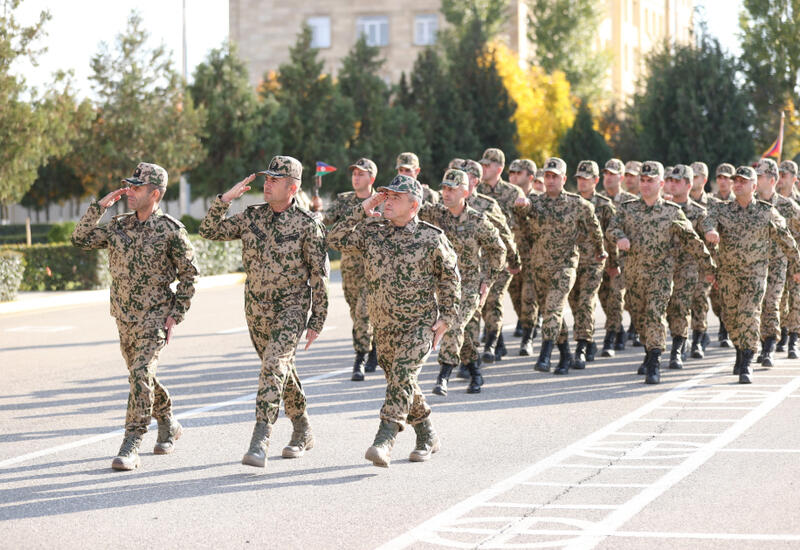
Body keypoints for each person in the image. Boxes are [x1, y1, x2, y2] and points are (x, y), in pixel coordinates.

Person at [199, 155, 329, 468]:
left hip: (292, 308)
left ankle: (261, 439)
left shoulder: (308, 226)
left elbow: (319, 277)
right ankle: (302, 429)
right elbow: (208, 230)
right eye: (266, 178)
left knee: (273, 367)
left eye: (274, 180)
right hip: (256, 308)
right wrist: (225, 200)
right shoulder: (250, 216)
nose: (266, 184)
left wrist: (317, 321)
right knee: (280, 370)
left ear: (292, 187)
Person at [71, 162, 198, 471]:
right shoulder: (118, 224)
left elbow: (190, 275)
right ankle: (167, 421)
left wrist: (176, 313)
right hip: (124, 316)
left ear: (155, 194)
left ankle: (132, 442)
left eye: (137, 188)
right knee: (141, 378)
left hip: (155, 317)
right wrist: (99, 206)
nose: (129, 191)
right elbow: (80, 238)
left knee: (140, 376)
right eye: (129, 185)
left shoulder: (170, 230)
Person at [328, 175, 460, 468]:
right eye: (386, 195)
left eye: (395, 198)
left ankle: (384, 438)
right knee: (403, 381)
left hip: (419, 325)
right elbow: (334, 238)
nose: (387, 201)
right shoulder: (372, 231)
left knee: (402, 373)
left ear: (413, 205)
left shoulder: (431, 237)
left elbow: (451, 279)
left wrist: (447, 318)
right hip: (383, 327)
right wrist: (364, 207)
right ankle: (428, 436)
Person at [607, 161, 714, 385]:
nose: (645, 185)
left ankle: (654, 363)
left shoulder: (671, 212)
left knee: (655, 315)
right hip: (634, 276)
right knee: (640, 317)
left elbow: (692, 240)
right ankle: (649, 352)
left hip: (661, 276)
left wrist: (709, 267)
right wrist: (620, 237)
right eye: (643, 180)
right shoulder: (627, 208)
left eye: (651, 181)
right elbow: (611, 228)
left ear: (661, 183)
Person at [703, 165, 800, 383]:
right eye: (736, 181)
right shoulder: (722, 210)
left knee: (749, 313)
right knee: (730, 317)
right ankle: (740, 348)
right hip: (728, 275)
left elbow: (787, 241)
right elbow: (707, 220)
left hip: (755, 275)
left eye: (743, 181)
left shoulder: (766, 212)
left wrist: (797, 267)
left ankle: (747, 360)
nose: (738, 184)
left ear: (753, 186)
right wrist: (710, 231)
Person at [514, 157, 606, 375]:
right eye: (547, 176)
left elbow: (595, 229)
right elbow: (521, 224)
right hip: (539, 267)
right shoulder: (535, 203)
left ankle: (545, 354)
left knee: (554, 308)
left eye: (555, 176)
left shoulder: (577, 204)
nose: (551, 180)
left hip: (565, 266)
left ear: (564, 179)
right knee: (550, 312)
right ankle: (565, 354)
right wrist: (520, 208)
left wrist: (600, 250)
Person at [419, 169, 505, 395]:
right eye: (444, 188)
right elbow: (409, 209)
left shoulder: (478, 220)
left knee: (453, 325)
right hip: (444, 285)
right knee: (461, 332)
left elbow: (498, 250)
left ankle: (443, 374)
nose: (446, 193)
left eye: (452, 189)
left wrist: (488, 280)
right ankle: (476, 372)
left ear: (465, 192)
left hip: (469, 285)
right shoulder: (436, 214)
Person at [460, 159, 520, 366]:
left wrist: (514, 259)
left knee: (492, 303)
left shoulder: (487, 205)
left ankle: (491, 344)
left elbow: (504, 233)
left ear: (474, 181)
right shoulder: (450, 206)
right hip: (467, 270)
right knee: (471, 312)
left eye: (464, 176)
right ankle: (470, 358)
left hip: (492, 267)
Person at [324, 158, 379, 381]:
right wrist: (315, 212)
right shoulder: (344, 201)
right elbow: (325, 219)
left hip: (375, 269)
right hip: (350, 269)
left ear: (371, 178)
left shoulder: (383, 202)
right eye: (354, 173)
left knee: (363, 313)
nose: (356, 177)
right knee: (356, 313)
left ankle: (360, 359)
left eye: (361, 174)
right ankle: (372, 347)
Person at [477, 148, 525, 362]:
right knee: (484, 303)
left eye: (488, 165)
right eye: (483, 165)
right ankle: (497, 341)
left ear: (499, 168)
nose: (484, 168)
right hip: (478, 257)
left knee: (494, 298)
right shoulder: (476, 191)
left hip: (502, 255)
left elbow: (524, 224)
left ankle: (490, 345)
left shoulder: (513, 193)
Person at [568, 160, 617, 368]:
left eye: (585, 179)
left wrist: (614, 263)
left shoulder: (605, 206)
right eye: (579, 178)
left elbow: (611, 236)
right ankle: (588, 339)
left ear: (595, 181)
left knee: (586, 301)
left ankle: (581, 345)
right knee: (574, 302)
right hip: (572, 261)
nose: (581, 182)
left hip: (595, 262)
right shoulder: (570, 203)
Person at [753, 158, 800, 366]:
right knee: (757, 305)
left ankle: (773, 345)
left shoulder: (786, 205)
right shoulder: (749, 203)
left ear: (772, 179)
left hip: (782, 260)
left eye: (760, 176)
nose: (756, 179)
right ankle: (752, 345)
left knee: (776, 301)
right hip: (753, 263)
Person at [663, 164, 709, 370]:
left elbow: (708, 242)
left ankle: (679, 349)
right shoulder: (662, 208)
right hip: (663, 267)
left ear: (689, 185)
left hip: (690, 268)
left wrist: (710, 269)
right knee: (666, 308)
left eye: (677, 181)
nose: (672, 184)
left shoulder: (699, 213)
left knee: (684, 305)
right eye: (670, 180)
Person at [598, 158, 637, 356]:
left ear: (621, 177)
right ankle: (619, 329)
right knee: (604, 296)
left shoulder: (630, 202)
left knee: (616, 297)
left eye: (612, 174)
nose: (608, 178)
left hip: (622, 260)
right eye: (606, 174)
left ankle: (610, 337)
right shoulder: (598, 200)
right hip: (600, 259)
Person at [507, 158, 538, 346]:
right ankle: (524, 323)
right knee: (516, 296)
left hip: (533, 258)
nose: (514, 176)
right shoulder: (506, 198)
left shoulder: (538, 200)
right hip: (512, 257)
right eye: (512, 172)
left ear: (530, 177)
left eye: (519, 173)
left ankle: (528, 337)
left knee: (529, 298)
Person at [777, 160, 800, 357]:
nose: (780, 179)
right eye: (778, 175)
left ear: (794, 179)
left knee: (796, 300)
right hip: (775, 259)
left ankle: (794, 339)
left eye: (784, 175)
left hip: (796, 259)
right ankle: (782, 334)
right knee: (778, 300)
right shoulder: (770, 201)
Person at [712, 163, 737, 346]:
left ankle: (726, 330)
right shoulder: (711, 201)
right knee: (716, 297)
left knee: (732, 295)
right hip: (716, 256)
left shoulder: (739, 201)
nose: (723, 181)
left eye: (727, 178)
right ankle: (722, 323)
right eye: (720, 177)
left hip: (734, 258)